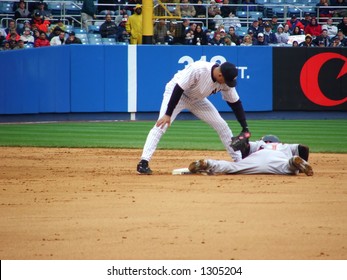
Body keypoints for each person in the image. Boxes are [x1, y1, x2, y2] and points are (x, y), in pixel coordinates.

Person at [136, 61, 251, 175]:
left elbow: (235, 103)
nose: (228, 83)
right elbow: (179, 88)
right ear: (220, 75)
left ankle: (239, 163)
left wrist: (244, 126)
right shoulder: (199, 69)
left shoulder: (225, 81)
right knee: (162, 124)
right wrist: (168, 114)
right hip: (177, 94)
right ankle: (143, 162)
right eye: (227, 80)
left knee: (222, 126)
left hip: (197, 100)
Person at [188, 135, 314, 176]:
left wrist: (241, 139)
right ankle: (294, 162)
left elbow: (243, 146)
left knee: (233, 167)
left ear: (265, 141)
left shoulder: (260, 143)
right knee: (289, 167)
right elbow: (303, 148)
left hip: (256, 159)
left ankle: (208, 163)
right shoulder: (284, 145)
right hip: (279, 159)